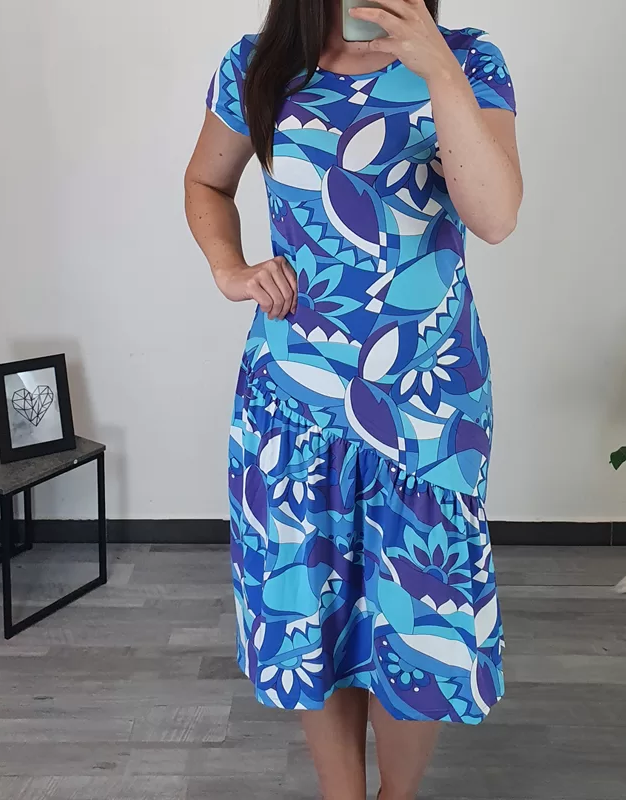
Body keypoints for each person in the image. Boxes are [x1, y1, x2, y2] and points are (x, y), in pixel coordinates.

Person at [185, 1, 522, 797]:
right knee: (316, 607)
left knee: (417, 622)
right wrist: (229, 267)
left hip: (426, 401)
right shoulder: (259, 65)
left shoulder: (470, 60)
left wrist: (437, 69)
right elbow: (206, 180)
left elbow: (496, 216)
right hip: (295, 397)